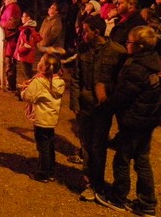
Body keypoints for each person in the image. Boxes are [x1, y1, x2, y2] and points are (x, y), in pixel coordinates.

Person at [96, 26, 161, 216]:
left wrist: (103, 103)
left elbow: (121, 97)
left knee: (122, 160)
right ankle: (147, 203)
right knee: (142, 160)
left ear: (139, 46)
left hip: (134, 121)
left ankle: (118, 197)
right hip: (146, 121)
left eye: (129, 42)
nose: (126, 44)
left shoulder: (136, 69)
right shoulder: (150, 62)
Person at [70, 15, 127, 202]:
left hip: (102, 108)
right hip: (85, 106)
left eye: (85, 31)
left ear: (97, 32)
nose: (82, 34)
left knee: (98, 146)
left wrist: (112, 102)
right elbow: (76, 77)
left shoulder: (117, 52)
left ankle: (98, 183)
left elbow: (121, 82)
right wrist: (75, 103)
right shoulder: (83, 49)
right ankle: (90, 182)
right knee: (86, 145)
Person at [20, 53, 66, 183]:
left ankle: (43, 173)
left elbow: (27, 96)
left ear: (44, 66)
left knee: (43, 147)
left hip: (41, 119)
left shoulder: (40, 82)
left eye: (40, 60)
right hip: (50, 119)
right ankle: (50, 169)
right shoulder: (58, 82)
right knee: (49, 145)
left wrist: (24, 90)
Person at [0, 0, 22, 91]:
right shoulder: (8, 7)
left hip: (11, 39)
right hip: (8, 38)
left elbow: (11, 23)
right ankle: (9, 82)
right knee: (8, 61)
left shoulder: (13, 8)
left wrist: (1, 24)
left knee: (10, 62)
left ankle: (11, 84)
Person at [13, 11, 42, 80]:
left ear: (28, 18)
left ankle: (30, 88)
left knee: (27, 75)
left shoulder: (27, 30)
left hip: (25, 55)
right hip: (28, 55)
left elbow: (28, 45)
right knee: (28, 73)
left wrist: (19, 50)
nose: (21, 18)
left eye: (23, 16)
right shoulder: (30, 29)